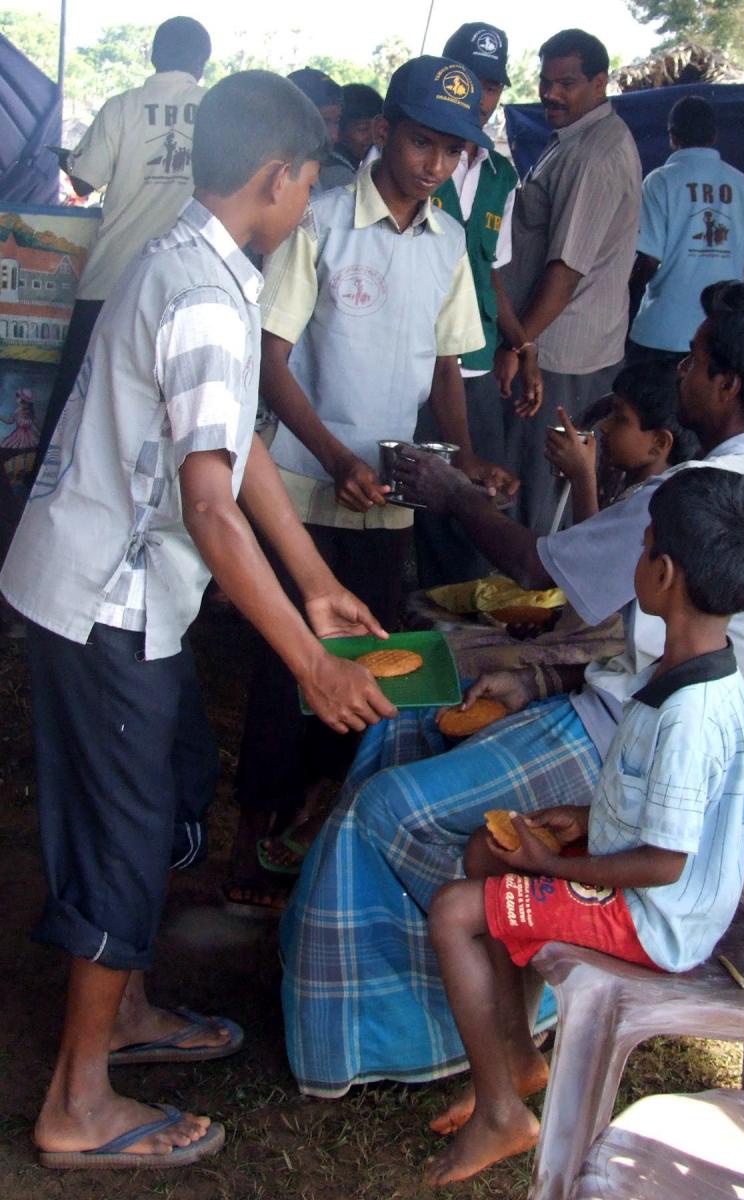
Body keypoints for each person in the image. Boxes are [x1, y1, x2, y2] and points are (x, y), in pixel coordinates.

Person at [0, 70, 397, 1170]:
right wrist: (310, 662)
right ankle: (77, 1104)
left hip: (116, 596)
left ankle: (124, 1012)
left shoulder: (190, 262)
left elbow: (234, 438)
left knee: (169, 783)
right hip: (107, 603)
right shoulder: (208, 300)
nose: (309, 198)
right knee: (125, 836)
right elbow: (212, 507)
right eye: (308, 181)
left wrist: (313, 580)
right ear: (277, 177)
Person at [278, 280, 744, 1099]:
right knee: (402, 729)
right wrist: (544, 675)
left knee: (385, 809)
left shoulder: (706, 498)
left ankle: (406, 1030)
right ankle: (453, 995)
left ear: (727, 385)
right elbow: (636, 648)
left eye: (696, 362)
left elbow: (540, 568)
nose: (682, 371)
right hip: (621, 726)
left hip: (624, 752)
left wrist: (452, 494)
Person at [424, 466, 744, 1186]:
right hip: (656, 880)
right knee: (488, 850)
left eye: (643, 545)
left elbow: (663, 863)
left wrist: (555, 866)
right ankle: (517, 1053)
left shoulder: (690, 715)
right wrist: (588, 818)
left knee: (453, 911)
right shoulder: (698, 668)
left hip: (657, 917)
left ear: (663, 572)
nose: (637, 557)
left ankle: (500, 1112)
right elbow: (674, 815)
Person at [227, 54, 517, 912]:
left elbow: (446, 366)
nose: (435, 164)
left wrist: (463, 459)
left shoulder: (449, 244)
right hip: (301, 490)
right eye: (423, 142)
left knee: (366, 667)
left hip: (389, 500)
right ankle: (248, 844)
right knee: (286, 671)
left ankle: (309, 840)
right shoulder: (320, 220)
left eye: (452, 151)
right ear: (384, 131)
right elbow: (271, 360)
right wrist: (333, 456)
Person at [34, 16, 212, 474]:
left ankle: (47, 490)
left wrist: (71, 161)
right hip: (183, 286)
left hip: (110, 278)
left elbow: (84, 181)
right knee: (162, 414)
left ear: (153, 56)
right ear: (203, 63)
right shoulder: (215, 112)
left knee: (73, 403)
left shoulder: (122, 107)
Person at [498, 28, 641, 536]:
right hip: (550, 344)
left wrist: (519, 344)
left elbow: (566, 271)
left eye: (567, 83)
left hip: (561, 354)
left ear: (600, 82)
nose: (551, 93)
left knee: (536, 492)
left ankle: (528, 581)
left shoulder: (594, 155)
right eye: (545, 81)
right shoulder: (571, 140)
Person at [414, 21, 536, 586]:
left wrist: (522, 344)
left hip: (477, 360)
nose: (479, 98)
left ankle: (463, 613)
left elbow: (490, 271)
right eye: (466, 80)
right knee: (422, 503)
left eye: (491, 86)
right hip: (417, 362)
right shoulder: (409, 161)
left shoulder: (501, 174)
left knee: (477, 496)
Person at [629, 96, 744, 362]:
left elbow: (648, 259)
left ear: (672, 137)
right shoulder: (743, 185)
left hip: (662, 333)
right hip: (721, 335)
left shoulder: (660, 181)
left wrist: (625, 299)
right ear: (713, 135)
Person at [543, 358, 700, 522]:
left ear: (659, 443)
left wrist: (582, 477)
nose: (604, 425)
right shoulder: (634, 486)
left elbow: (591, 538)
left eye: (620, 419)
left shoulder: (652, 508)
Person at [318, 82, 383, 190]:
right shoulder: (339, 176)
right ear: (339, 129)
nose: (373, 137)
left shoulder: (352, 168)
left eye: (378, 129)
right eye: (363, 129)